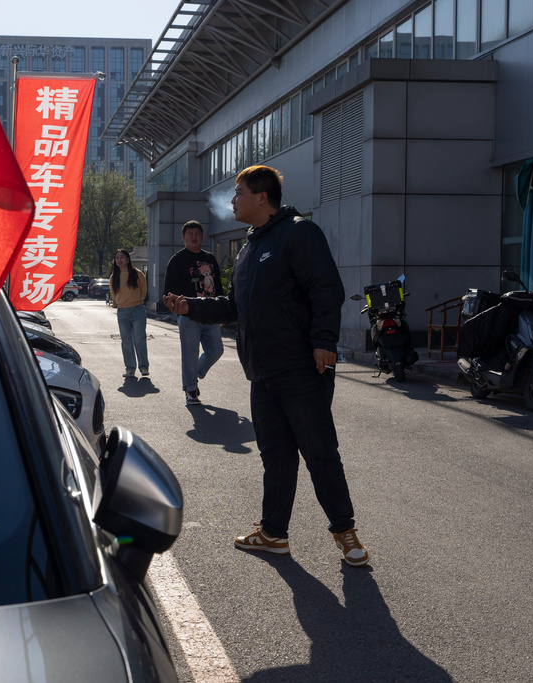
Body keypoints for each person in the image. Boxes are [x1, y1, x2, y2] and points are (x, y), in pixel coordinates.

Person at [163, 165, 368, 567]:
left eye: (238, 192)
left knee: (319, 451)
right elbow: (235, 307)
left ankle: (347, 534)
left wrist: (324, 342)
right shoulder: (249, 248)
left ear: (262, 196)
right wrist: (192, 307)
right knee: (276, 455)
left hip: (301, 367)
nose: (233, 199)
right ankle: (274, 533)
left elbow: (326, 289)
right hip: (263, 372)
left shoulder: (299, 233)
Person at [164, 220, 225, 405]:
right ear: (183, 237)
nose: (194, 237)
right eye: (190, 233)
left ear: (202, 236)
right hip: (189, 315)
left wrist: (222, 311)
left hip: (210, 312)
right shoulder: (177, 260)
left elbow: (219, 287)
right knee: (189, 353)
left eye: (197, 233)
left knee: (216, 350)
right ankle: (191, 390)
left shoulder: (210, 258)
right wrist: (175, 307)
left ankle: (194, 374)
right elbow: (169, 290)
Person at [110, 248, 149, 378]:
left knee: (139, 339)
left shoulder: (137, 274)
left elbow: (144, 290)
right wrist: (121, 303)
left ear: (127, 259)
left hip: (138, 310)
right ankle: (130, 368)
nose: (119, 260)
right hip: (122, 311)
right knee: (126, 341)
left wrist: (137, 301)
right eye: (117, 258)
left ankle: (143, 367)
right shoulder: (114, 277)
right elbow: (113, 294)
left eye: (122, 257)